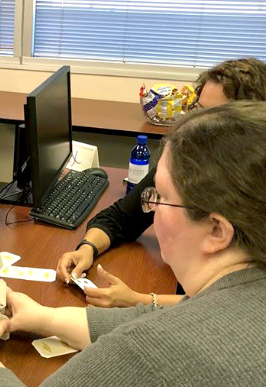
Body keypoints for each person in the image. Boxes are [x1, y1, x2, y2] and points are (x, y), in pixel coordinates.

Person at [0, 102, 266, 387]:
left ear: (216, 231)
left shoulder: (158, 348)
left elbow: (150, 338)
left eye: (162, 197)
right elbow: (153, 318)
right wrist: (44, 317)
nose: (150, 209)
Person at [56, 57, 266, 307]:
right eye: (198, 111)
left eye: (213, 117)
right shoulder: (186, 161)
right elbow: (122, 218)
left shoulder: (254, 193)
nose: (196, 126)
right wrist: (87, 248)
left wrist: (139, 301)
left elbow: (233, 303)